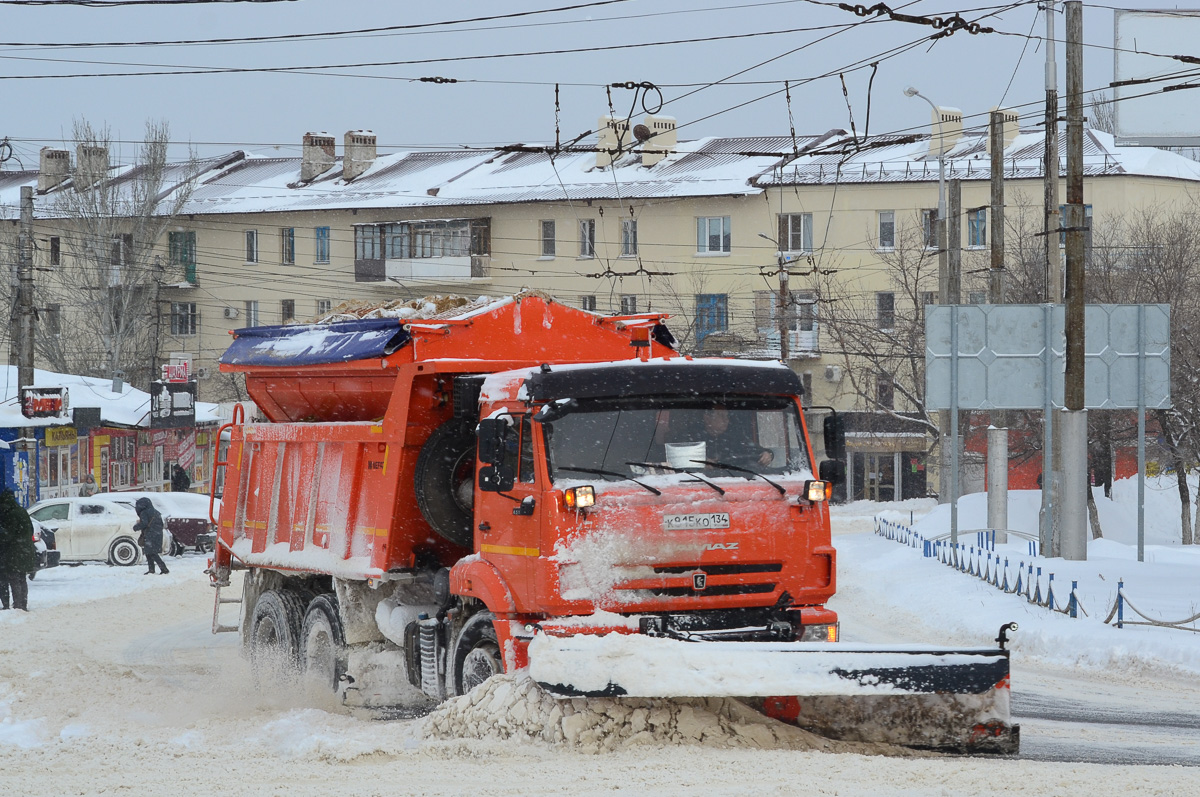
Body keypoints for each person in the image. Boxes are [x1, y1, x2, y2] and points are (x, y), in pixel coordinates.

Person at [702, 404, 774, 467]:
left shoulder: (735, 438)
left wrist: (767, 454)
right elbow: (691, 459)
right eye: (721, 416)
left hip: (736, 477)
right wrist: (702, 462)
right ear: (707, 418)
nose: (726, 420)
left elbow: (756, 450)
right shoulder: (695, 437)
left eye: (726, 416)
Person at [0, 489, 36, 611]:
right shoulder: (21, 511)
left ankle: (18, 606)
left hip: (15, 551)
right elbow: (31, 530)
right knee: (21, 578)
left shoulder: (11, 514)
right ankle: (22, 604)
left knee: (14, 577)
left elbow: (8, 535)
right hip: (25, 550)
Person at [133, 497, 169, 576]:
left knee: (151, 553)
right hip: (158, 534)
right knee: (150, 552)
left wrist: (136, 527)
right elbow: (161, 524)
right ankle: (151, 570)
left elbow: (144, 523)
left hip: (150, 535)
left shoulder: (144, 512)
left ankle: (163, 569)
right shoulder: (156, 512)